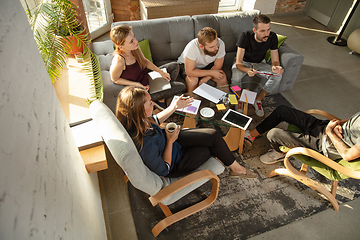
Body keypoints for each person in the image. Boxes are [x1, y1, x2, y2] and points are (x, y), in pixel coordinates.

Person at [115, 86, 258, 179]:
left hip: (170, 140)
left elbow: (155, 120)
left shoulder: (137, 119)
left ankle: (235, 168)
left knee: (212, 135)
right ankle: (236, 168)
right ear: (138, 109)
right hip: (174, 163)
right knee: (209, 149)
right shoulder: (145, 143)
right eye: (149, 103)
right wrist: (170, 142)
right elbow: (164, 169)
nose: (153, 104)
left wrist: (174, 107)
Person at [243, 105, 360, 165]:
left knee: (273, 134)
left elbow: (348, 155)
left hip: (324, 145)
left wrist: (330, 132)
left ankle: (279, 153)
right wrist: (339, 123)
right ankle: (252, 134)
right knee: (282, 110)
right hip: (324, 128)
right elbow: (352, 122)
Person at [109, 25, 182, 101]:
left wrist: (161, 72)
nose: (136, 41)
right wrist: (137, 85)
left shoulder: (135, 47)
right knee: (182, 87)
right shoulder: (119, 60)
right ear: (121, 47)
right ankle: (160, 97)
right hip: (143, 90)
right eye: (131, 41)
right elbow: (115, 79)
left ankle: (164, 92)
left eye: (134, 37)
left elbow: (144, 61)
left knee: (174, 65)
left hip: (146, 77)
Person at [231, 14, 284, 117]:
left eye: (268, 29)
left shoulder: (272, 37)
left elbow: (275, 60)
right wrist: (247, 70)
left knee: (278, 76)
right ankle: (239, 99)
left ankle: (258, 99)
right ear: (254, 30)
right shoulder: (245, 36)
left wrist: (276, 66)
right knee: (235, 77)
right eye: (262, 31)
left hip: (260, 63)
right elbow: (238, 63)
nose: (267, 34)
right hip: (244, 63)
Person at [177, 27, 228, 92]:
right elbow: (189, 72)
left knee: (221, 76)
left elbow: (218, 66)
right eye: (212, 47)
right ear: (202, 46)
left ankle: (225, 100)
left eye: (216, 44)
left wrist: (205, 79)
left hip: (206, 65)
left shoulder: (220, 44)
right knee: (193, 80)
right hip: (187, 66)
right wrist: (211, 73)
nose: (216, 48)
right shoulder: (192, 47)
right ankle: (194, 101)